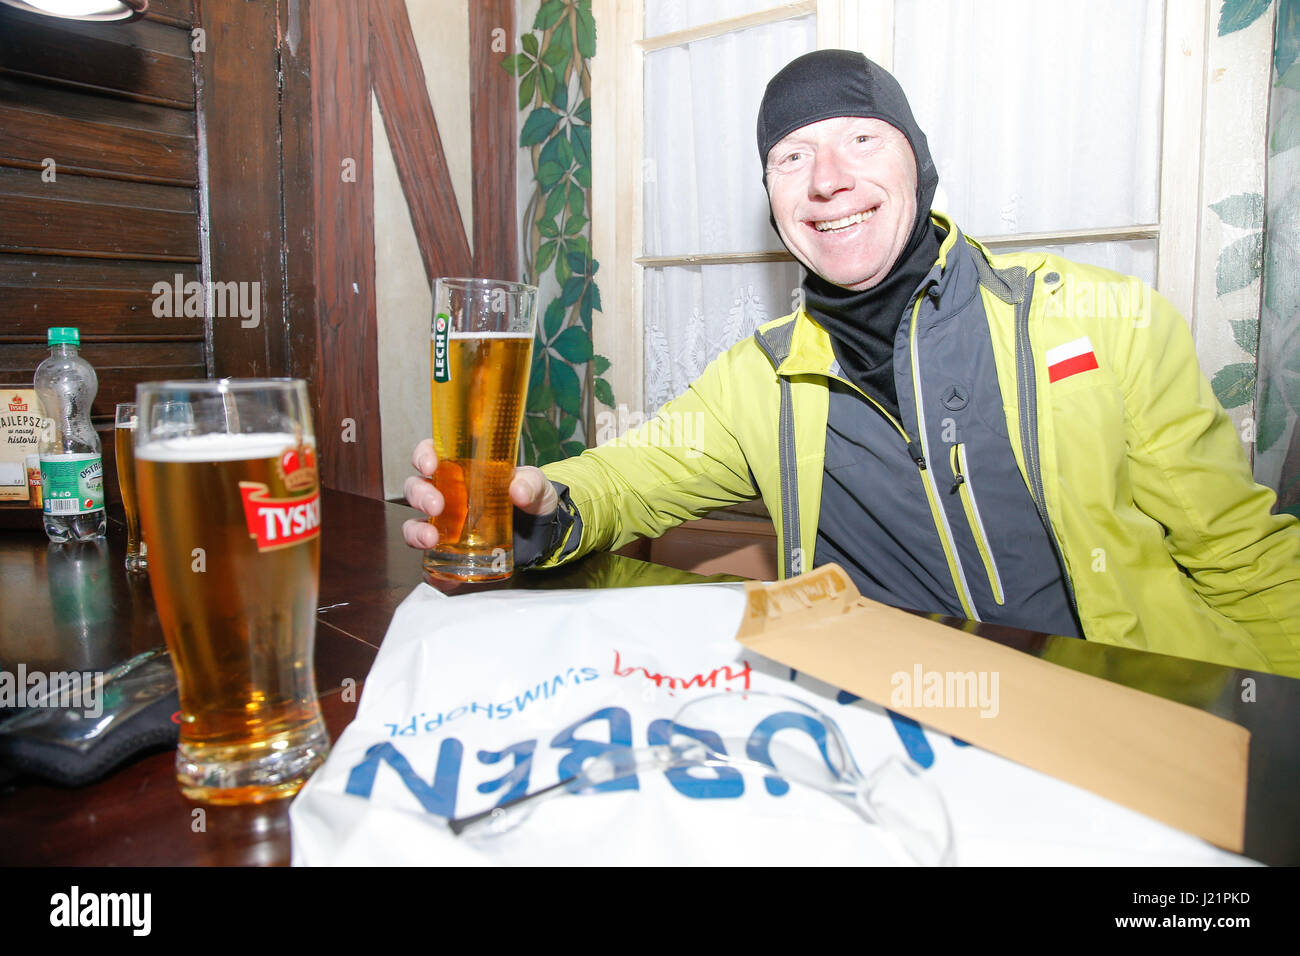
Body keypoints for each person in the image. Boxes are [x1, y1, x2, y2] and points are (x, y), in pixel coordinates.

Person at [404, 50, 1300, 678]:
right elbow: (622, 481)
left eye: (861, 139)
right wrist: (536, 513)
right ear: (775, 202)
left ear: (920, 163)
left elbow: (1243, 556)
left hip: (1120, 722)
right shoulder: (759, 379)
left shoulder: (1106, 322)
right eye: (791, 157)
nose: (826, 178)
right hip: (877, 734)